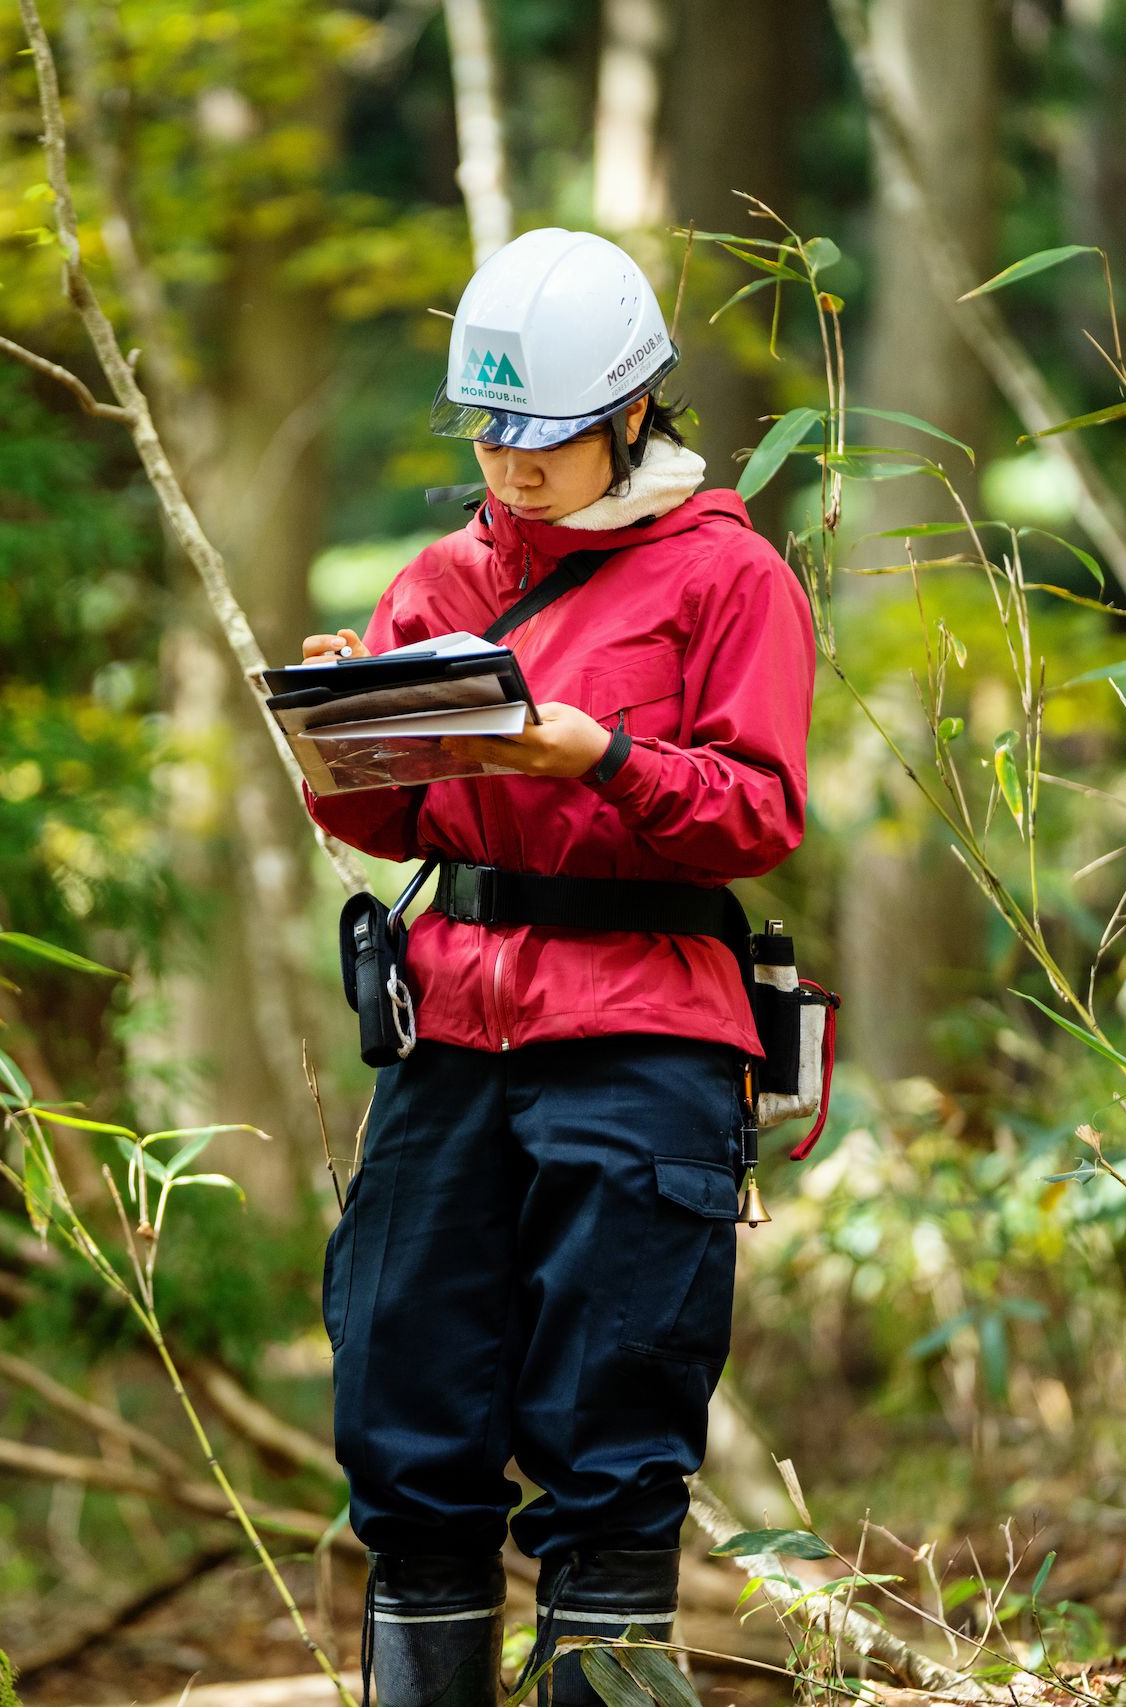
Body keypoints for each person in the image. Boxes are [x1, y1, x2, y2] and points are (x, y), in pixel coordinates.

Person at [300, 228, 817, 1706]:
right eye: (491, 435)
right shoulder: (442, 579)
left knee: (613, 1416)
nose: (512, 470)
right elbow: (382, 816)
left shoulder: (729, 579)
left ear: (635, 413)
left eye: (546, 442)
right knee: (405, 1395)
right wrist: (345, 726)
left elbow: (761, 811)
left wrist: (604, 756)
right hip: (453, 1024)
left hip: (643, 1026)